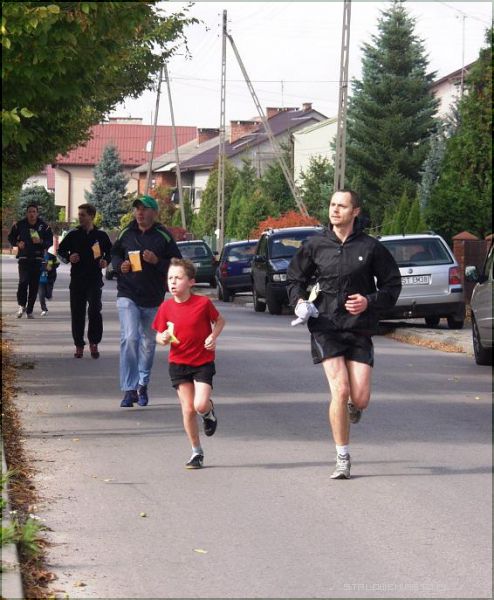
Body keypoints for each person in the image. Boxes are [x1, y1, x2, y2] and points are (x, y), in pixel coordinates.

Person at [287, 189, 402, 480]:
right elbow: (294, 278)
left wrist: (369, 301)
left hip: (359, 327)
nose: (335, 210)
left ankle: (354, 406)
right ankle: (342, 457)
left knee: (359, 398)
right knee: (339, 390)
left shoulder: (371, 247)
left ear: (355, 212)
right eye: (332, 204)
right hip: (325, 326)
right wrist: (299, 302)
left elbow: (392, 285)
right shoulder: (315, 245)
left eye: (342, 206)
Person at [153, 258, 226, 469]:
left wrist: (213, 336)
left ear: (191, 282)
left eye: (178, 278)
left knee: (199, 405)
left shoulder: (202, 303)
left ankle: (208, 412)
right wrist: (162, 338)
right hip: (178, 363)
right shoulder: (165, 307)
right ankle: (196, 451)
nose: (173, 282)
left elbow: (220, 321)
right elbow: (159, 336)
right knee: (188, 410)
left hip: (202, 361)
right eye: (170, 278)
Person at [111, 195, 182, 408]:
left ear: (154, 212)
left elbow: (177, 265)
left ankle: (142, 384)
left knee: (148, 344)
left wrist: (157, 261)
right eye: (137, 209)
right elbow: (115, 254)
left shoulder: (163, 236)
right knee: (130, 338)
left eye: (144, 209)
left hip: (153, 298)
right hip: (128, 293)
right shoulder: (126, 232)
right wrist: (120, 266)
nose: (140, 212)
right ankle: (129, 389)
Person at [57, 203, 112, 358]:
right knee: (77, 313)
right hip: (77, 280)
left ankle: (94, 342)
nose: (80, 217)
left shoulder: (101, 236)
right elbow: (60, 251)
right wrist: (69, 257)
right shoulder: (73, 234)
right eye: (79, 214)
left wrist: (106, 261)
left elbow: (111, 252)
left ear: (91, 216)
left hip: (94, 280)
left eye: (83, 215)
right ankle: (79, 345)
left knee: (95, 310)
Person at [8, 204, 53, 319]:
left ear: (37, 213)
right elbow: (11, 237)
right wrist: (18, 243)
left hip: (37, 259)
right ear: (26, 213)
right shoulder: (20, 225)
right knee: (23, 282)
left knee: (34, 286)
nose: (32, 214)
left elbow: (50, 242)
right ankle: (21, 305)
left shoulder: (44, 226)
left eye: (34, 212)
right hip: (24, 258)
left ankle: (30, 310)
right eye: (30, 212)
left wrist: (40, 241)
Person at [38, 246, 60, 316]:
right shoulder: (38, 256)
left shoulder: (51, 256)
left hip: (50, 278)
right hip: (40, 279)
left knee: (48, 294)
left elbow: (57, 263)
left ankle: (49, 296)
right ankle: (44, 309)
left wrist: (52, 267)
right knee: (41, 295)